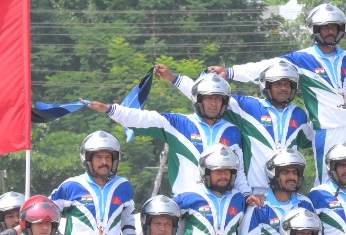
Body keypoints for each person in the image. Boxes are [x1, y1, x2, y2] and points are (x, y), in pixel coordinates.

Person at [212, 4, 346, 162]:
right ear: (314, 29)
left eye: (334, 27)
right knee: (328, 175)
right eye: (325, 27)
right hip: (326, 130)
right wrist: (230, 72)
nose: (331, 31)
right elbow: (266, 67)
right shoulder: (301, 59)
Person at [159, 59, 311, 194]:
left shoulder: (300, 114)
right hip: (256, 191)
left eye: (287, 84)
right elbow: (207, 93)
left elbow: (310, 140)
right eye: (277, 84)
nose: (283, 88)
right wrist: (175, 79)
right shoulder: (249, 106)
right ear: (267, 85)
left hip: (287, 191)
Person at [87, 73, 251, 196]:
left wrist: (246, 195)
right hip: (185, 204)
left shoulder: (233, 131)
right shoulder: (177, 123)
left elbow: (239, 172)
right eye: (209, 98)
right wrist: (111, 109)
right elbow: (142, 118)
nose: (214, 103)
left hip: (224, 205)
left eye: (218, 99)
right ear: (198, 100)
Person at [242, 148, 317, 235]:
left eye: (295, 173)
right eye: (285, 173)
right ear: (274, 175)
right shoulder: (258, 207)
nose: (292, 177)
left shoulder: (306, 204)